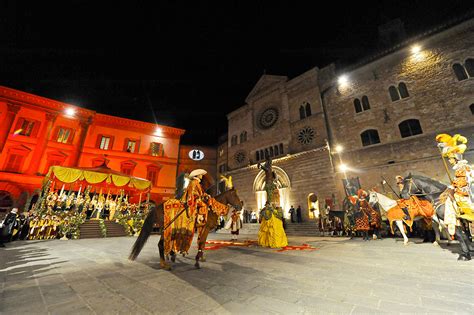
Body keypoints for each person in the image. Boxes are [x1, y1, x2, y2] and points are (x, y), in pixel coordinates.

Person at [436, 133, 474, 260]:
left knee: (451, 207)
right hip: (460, 193)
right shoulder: (459, 168)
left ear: (456, 157)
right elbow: (456, 182)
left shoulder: (463, 167)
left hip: (464, 195)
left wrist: (453, 188)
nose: (450, 160)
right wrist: (451, 187)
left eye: (451, 158)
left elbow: (464, 182)